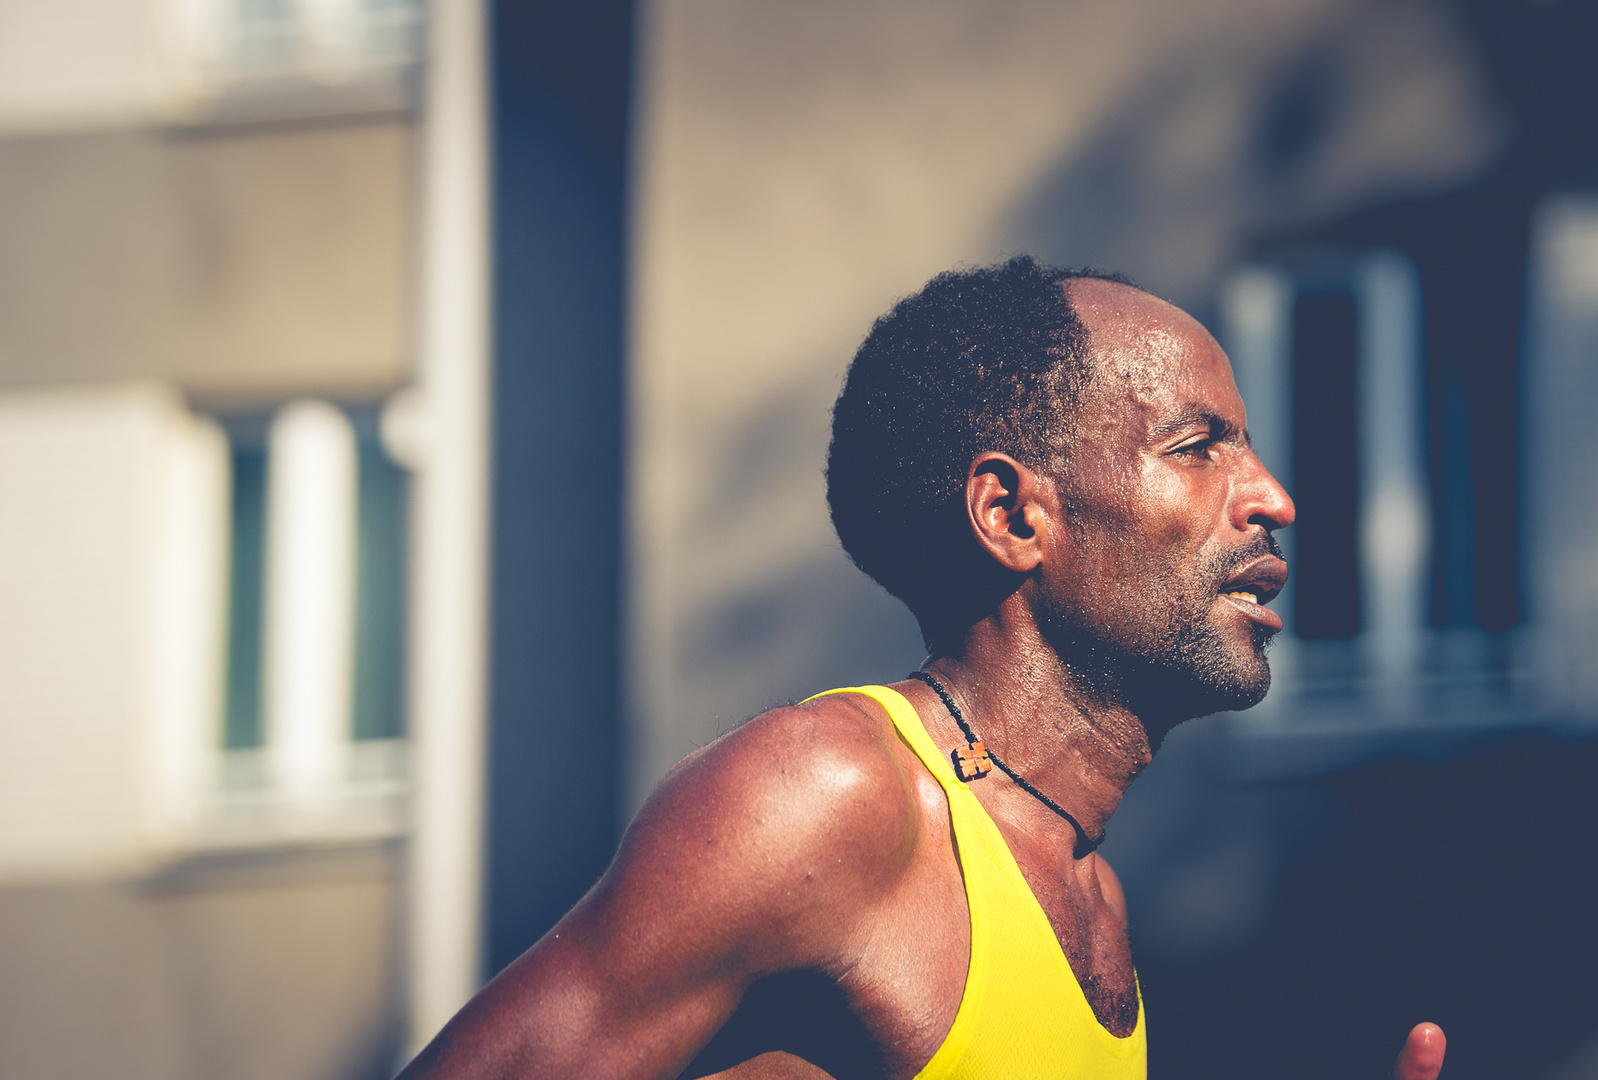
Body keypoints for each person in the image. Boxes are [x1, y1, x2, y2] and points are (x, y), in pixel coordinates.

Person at [399, 257, 1448, 1079]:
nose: (1271, 495)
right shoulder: (828, 799)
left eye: (1249, 445)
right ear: (1011, 515)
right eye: (1197, 445)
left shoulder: (1092, 892)